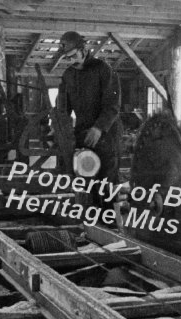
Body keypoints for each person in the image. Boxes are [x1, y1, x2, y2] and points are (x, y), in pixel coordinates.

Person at [57, 31, 123, 207]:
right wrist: (60, 127)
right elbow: (62, 107)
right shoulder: (68, 75)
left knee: (107, 181)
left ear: (84, 49)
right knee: (86, 178)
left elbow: (113, 105)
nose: (71, 60)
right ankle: (93, 224)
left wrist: (99, 128)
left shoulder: (104, 70)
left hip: (106, 135)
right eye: (68, 57)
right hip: (83, 133)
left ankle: (111, 224)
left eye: (73, 55)